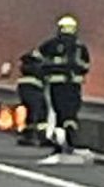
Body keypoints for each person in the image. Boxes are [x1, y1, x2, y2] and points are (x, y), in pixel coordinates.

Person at [33, 15, 91, 154]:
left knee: (59, 112)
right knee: (71, 113)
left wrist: (45, 70)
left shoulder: (52, 44)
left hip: (57, 84)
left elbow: (35, 58)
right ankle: (70, 140)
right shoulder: (80, 47)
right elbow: (86, 66)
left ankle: (59, 144)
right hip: (74, 85)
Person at [15, 48, 48, 147]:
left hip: (27, 90)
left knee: (34, 113)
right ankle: (36, 137)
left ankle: (31, 136)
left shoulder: (26, 66)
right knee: (37, 112)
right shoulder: (36, 67)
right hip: (33, 90)